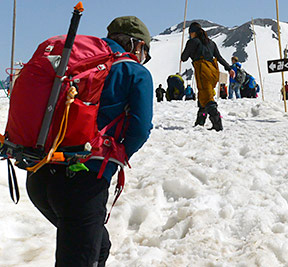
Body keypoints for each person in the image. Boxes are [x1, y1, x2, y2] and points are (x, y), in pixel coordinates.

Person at [26, 16, 154, 267]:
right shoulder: (134, 71)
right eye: (145, 52)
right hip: (82, 182)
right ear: (137, 45)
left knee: (98, 247)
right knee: (84, 255)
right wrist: (115, 155)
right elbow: (140, 129)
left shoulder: (74, 62)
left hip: (39, 175)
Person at [181, 22, 234, 131]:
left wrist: (189, 50)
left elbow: (184, 57)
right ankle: (200, 122)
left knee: (207, 96)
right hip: (213, 71)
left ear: (193, 32)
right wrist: (229, 68)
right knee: (203, 94)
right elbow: (219, 57)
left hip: (202, 70)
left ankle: (217, 124)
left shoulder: (193, 42)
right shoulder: (211, 43)